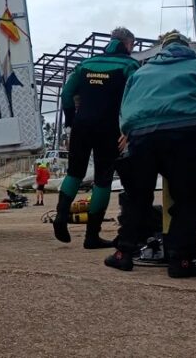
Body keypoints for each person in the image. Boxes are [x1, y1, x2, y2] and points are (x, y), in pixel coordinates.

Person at [105, 30, 196, 278]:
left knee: (136, 196)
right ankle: (181, 260)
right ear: (186, 47)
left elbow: (125, 112)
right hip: (183, 134)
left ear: (161, 49)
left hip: (142, 136)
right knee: (190, 196)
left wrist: (131, 133)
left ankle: (123, 254)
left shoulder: (141, 72)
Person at [52, 27, 139, 249]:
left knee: (74, 172)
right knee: (103, 178)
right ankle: (92, 236)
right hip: (109, 128)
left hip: (82, 125)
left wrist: (72, 121)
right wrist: (128, 128)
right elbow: (135, 99)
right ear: (127, 44)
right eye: (132, 45)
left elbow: (66, 94)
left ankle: (61, 217)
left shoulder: (84, 65)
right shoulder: (129, 66)